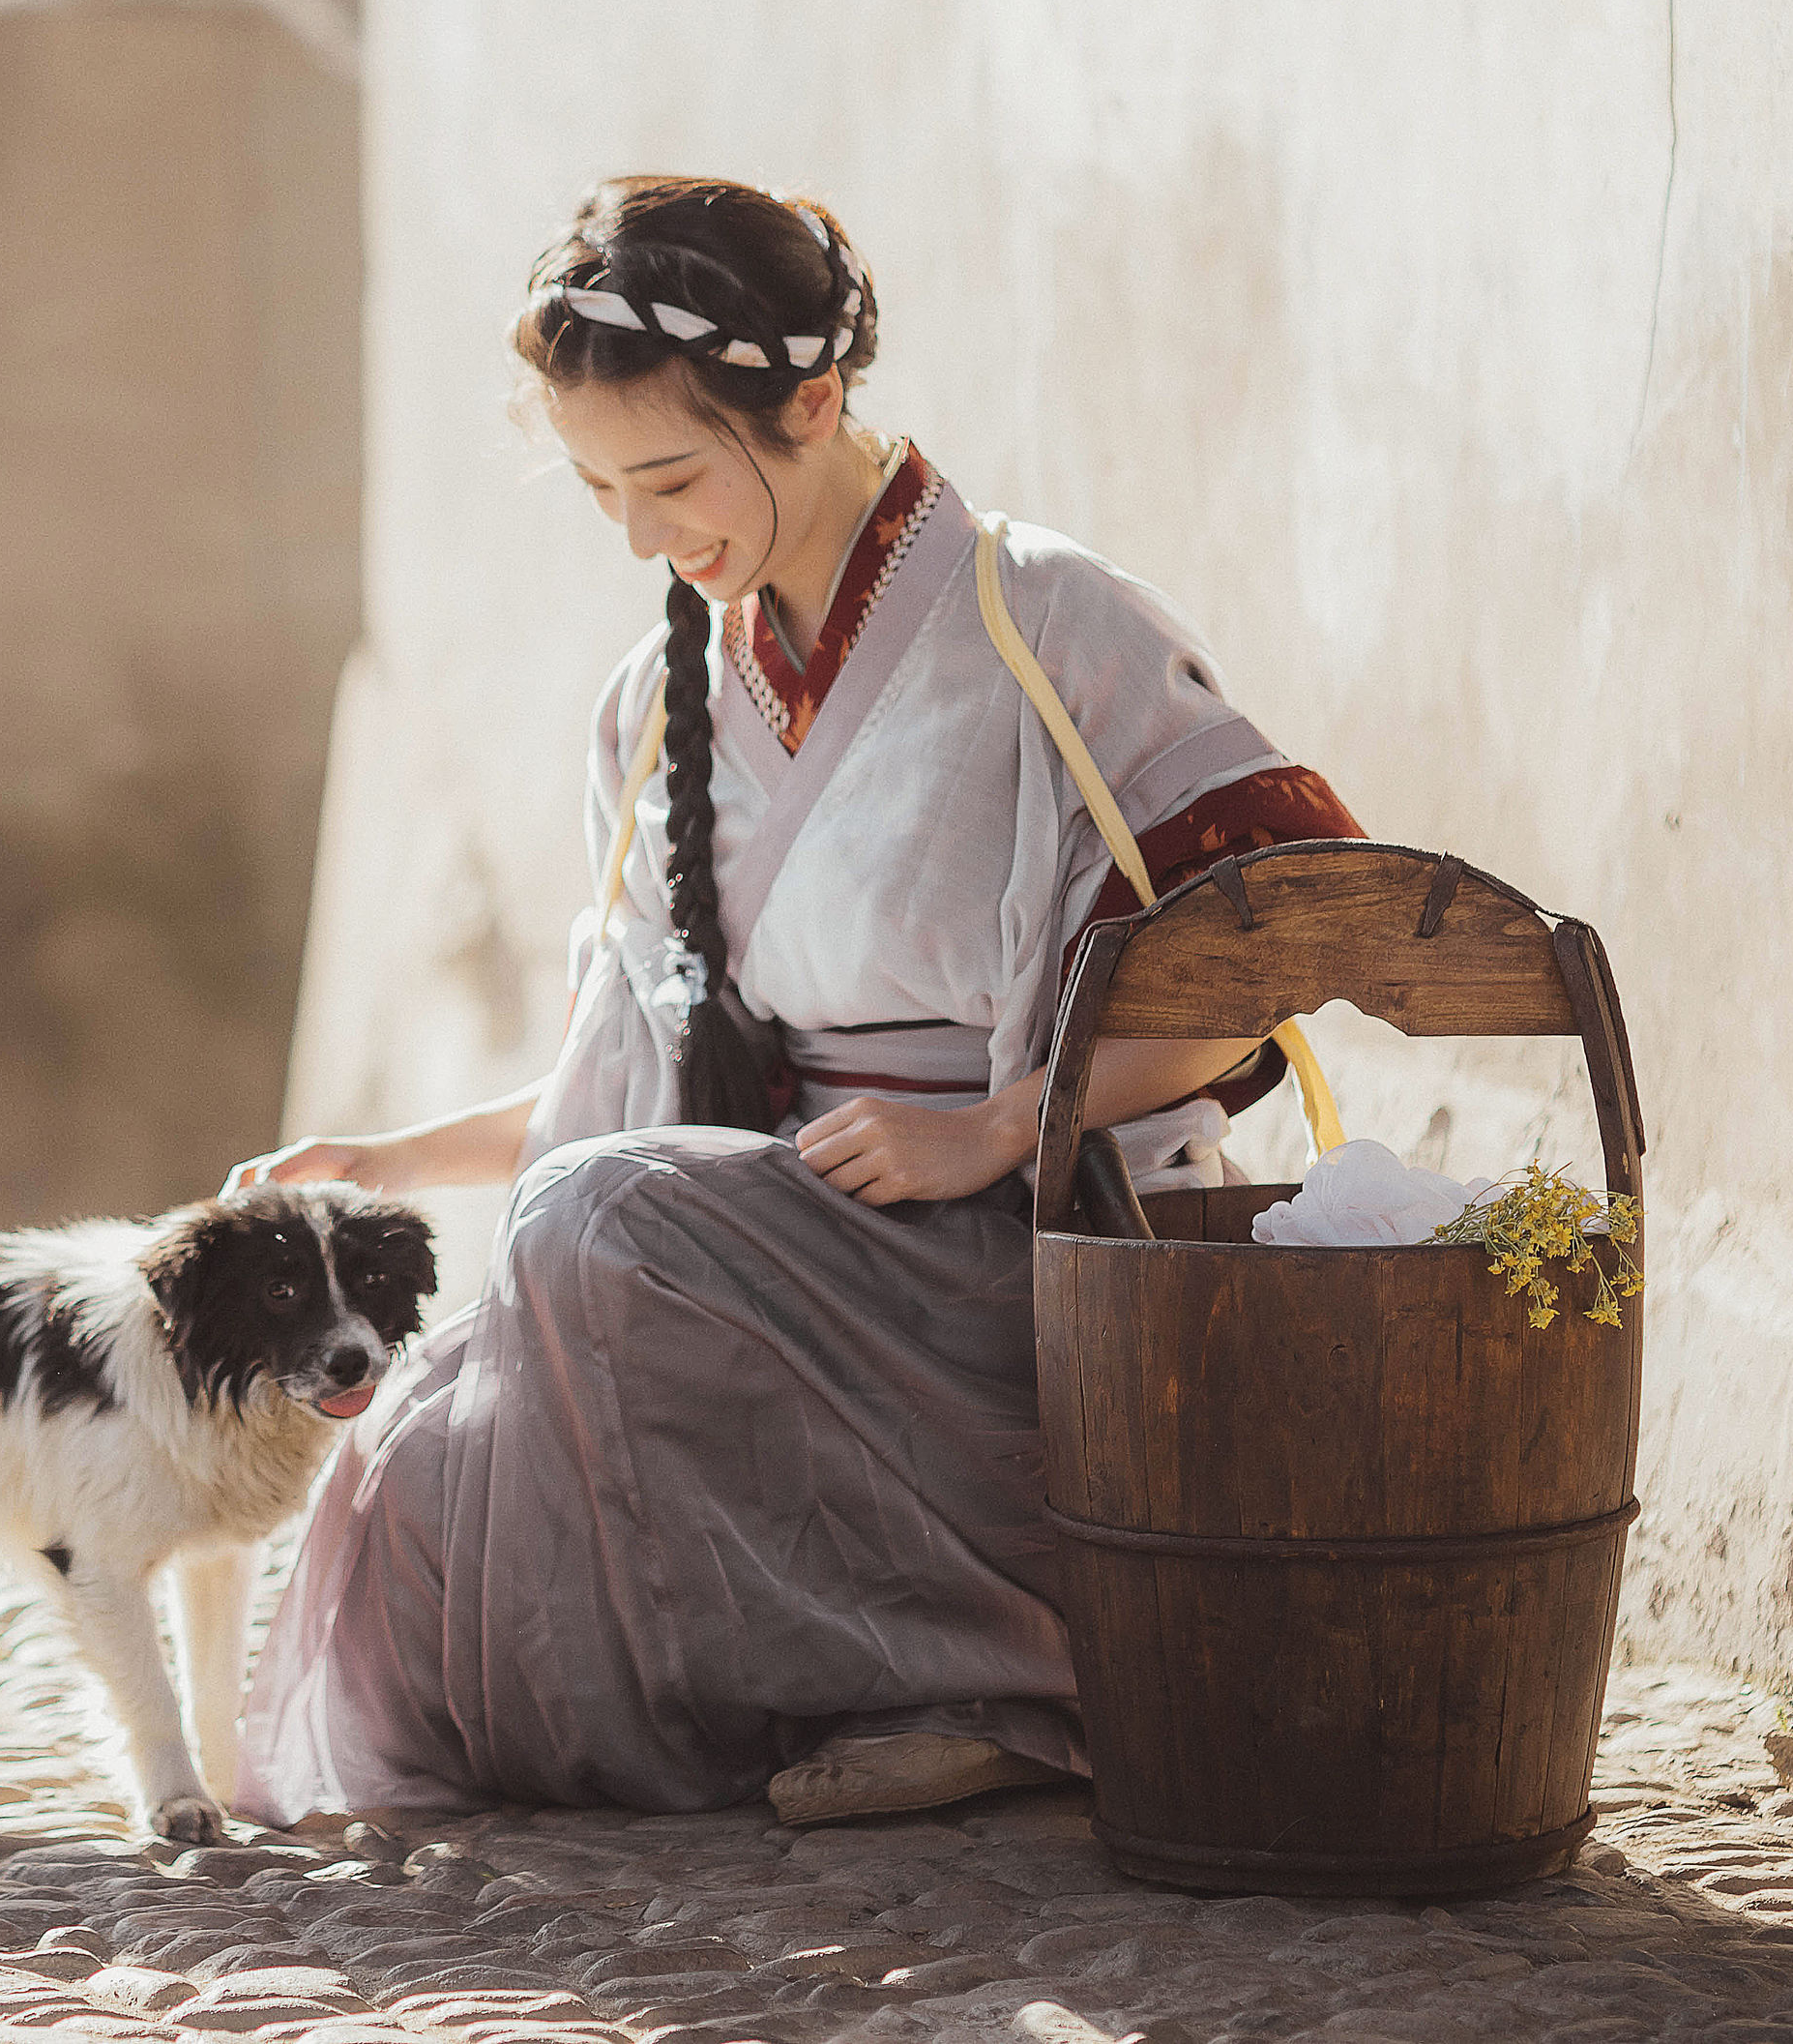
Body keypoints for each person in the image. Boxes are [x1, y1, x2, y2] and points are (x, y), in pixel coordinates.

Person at [225, 175, 1359, 1824]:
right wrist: (385, 1166)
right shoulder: (651, 702)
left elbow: (1283, 954)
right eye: (598, 489)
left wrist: (993, 1126)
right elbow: (602, 1103)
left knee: (594, 1230)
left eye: (670, 475)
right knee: (430, 1466)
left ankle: (1011, 1669)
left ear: (813, 402)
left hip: (1038, 1251)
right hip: (790, 1245)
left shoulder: (1044, 619)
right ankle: (851, 1679)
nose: (640, 533)